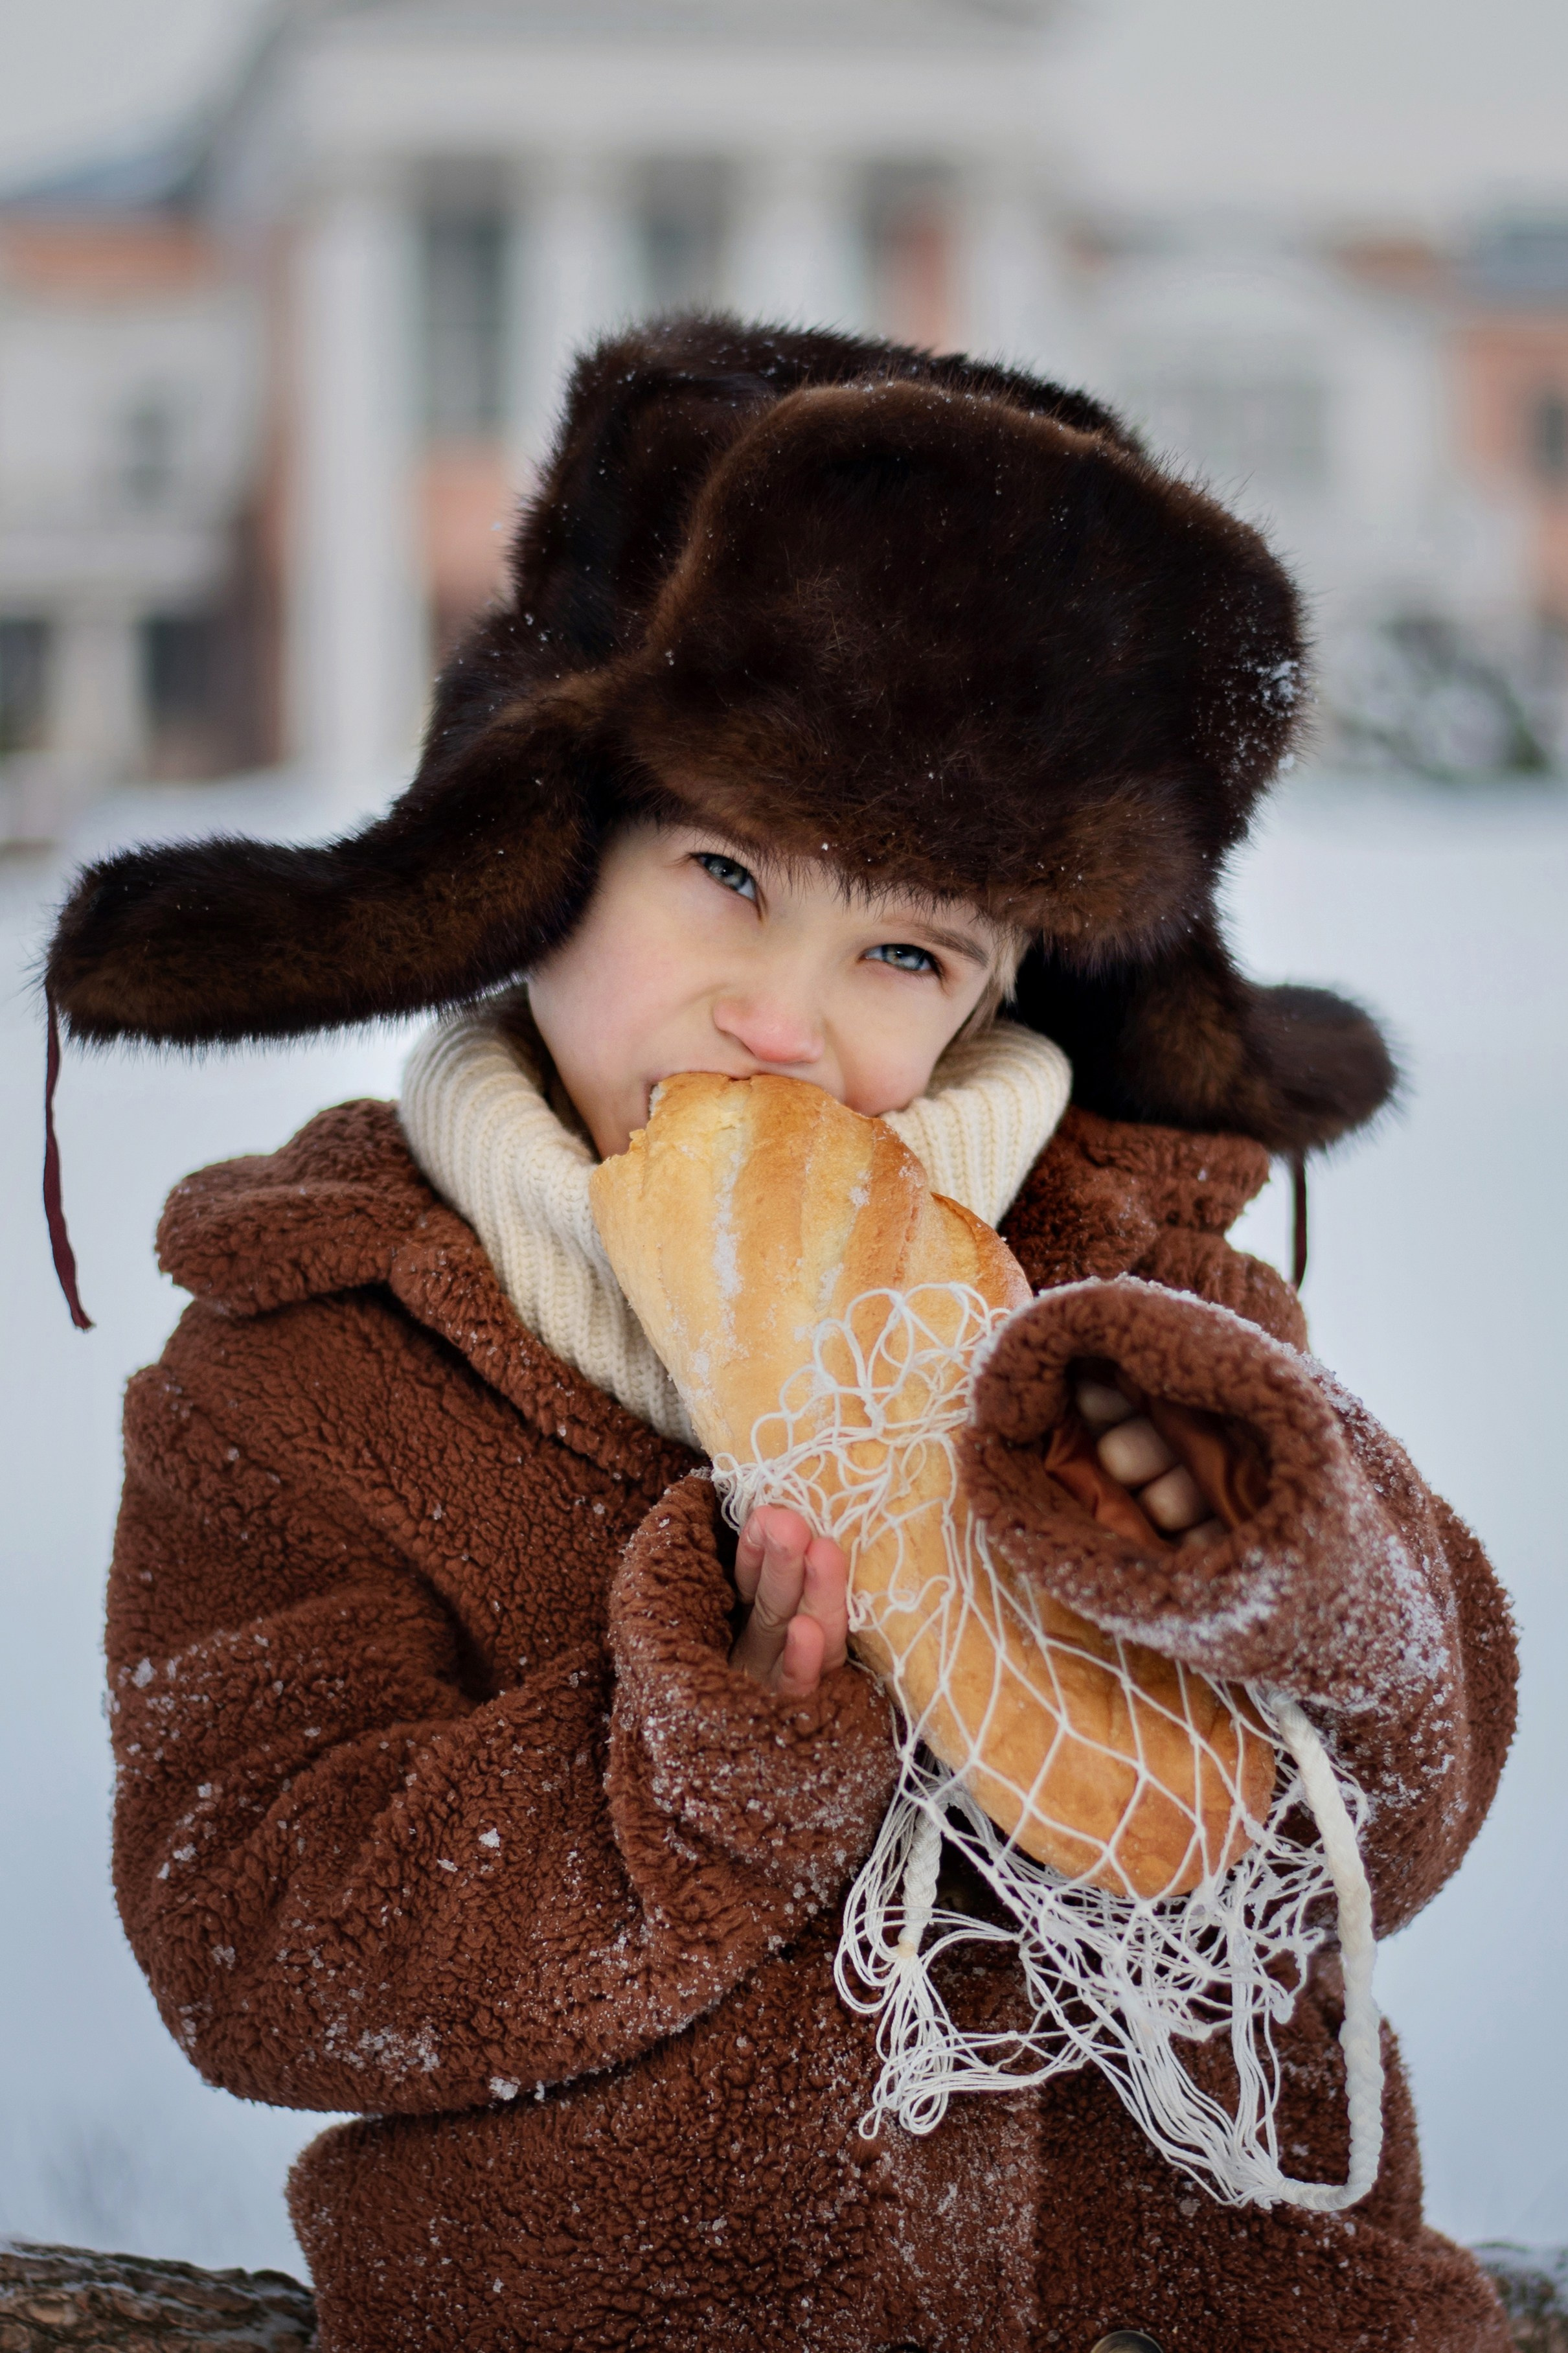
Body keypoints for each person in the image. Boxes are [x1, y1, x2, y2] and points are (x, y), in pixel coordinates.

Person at [46, 318, 1517, 2353]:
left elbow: (1406, 1801)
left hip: (1221, 2305)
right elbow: (257, 1933)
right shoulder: (308, 1362)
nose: (780, 1016)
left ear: (1011, 985)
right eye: (725, 874)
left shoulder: (1134, 1301)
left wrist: (1272, 1566)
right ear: (539, 857)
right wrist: (700, 1774)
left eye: (903, 947)